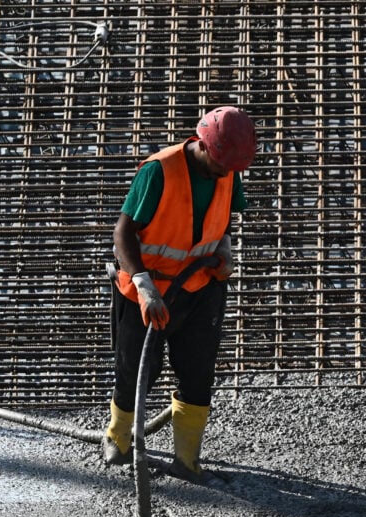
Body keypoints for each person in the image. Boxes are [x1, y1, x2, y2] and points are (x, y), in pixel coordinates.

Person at [101, 106, 256, 481]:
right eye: (220, 164)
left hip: (200, 287)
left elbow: (224, 219)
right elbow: (122, 234)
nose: (226, 174)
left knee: (197, 373)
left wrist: (223, 250)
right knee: (136, 369)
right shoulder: (159, 171)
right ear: (203, 145)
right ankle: (118, 440)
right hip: (148, 291)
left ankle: (187, 462)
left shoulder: (228, 168)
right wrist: (142, 283)